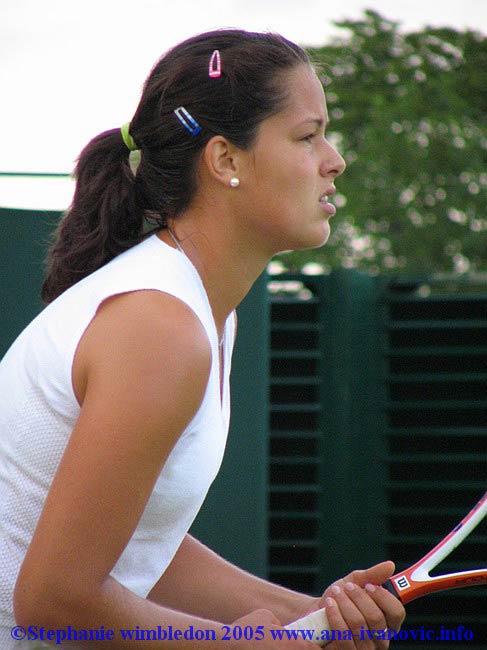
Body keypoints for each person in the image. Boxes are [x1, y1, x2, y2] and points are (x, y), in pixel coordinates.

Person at [0, 29, 405, 648]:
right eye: (307, 135)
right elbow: (52, 598)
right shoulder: (160, 327)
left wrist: (314, 615)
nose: (334, 159)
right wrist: (234, 643)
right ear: (225, 161)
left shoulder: (198, 311)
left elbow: (142, 539)